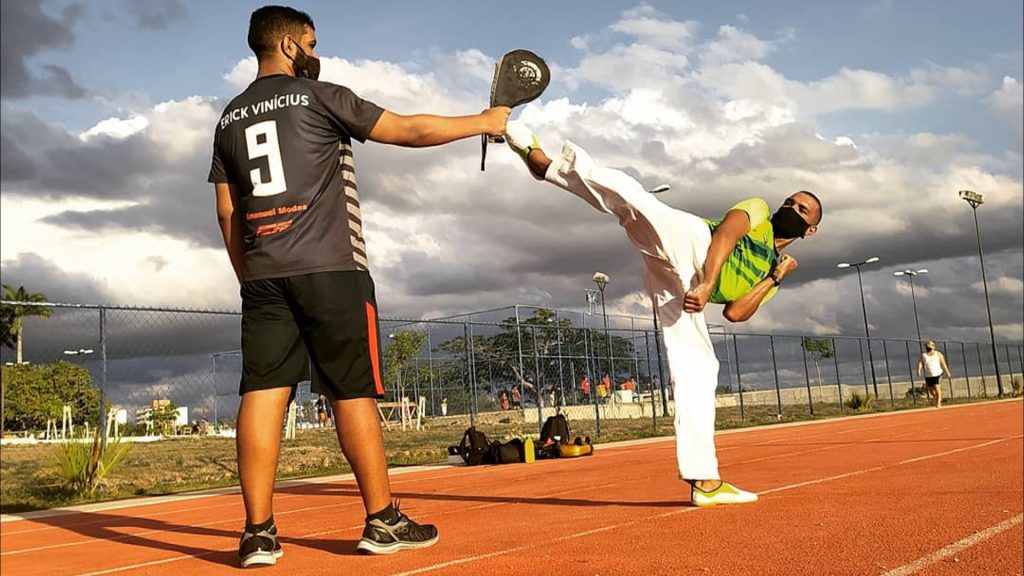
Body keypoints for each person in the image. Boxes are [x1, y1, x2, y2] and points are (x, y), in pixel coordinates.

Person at [208, 6, 509, 567]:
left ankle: (257, 533)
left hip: (265, 276)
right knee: (352, 391)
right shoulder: (320, 98)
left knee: (262, 394)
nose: (317, 53)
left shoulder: (228, 119)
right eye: (313, 42)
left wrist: (249, 274)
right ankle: (381, 520)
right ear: (292, 46)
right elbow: (408, 131)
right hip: (332, 271)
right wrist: (484, 122)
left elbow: (227, 213)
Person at [505, 121, 822, 507]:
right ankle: (543, 161)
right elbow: (724, 235)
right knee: (635, 202)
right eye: (789, 201)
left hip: (688, 287)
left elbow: (737, 313)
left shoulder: (774, 269)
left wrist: (775, 276)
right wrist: (707, 282)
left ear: (810, 230)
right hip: (697, 245)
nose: (790, 208)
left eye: (801, 209)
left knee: (700, 370)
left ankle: (705, 480)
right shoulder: (756, 209)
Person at [917, 340, 952, 407]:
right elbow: (920, 363)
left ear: (933, 346)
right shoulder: (923, 355)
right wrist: (919, 370)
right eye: (927, 345)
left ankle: (938, 403)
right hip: (928, 375)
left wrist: (947, 372)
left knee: (937, 387)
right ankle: (938, 397)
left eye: (930, 345)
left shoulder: (938, 354)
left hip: (937, 374)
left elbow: (943, 364)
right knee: (930, 390)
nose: (928, 346)